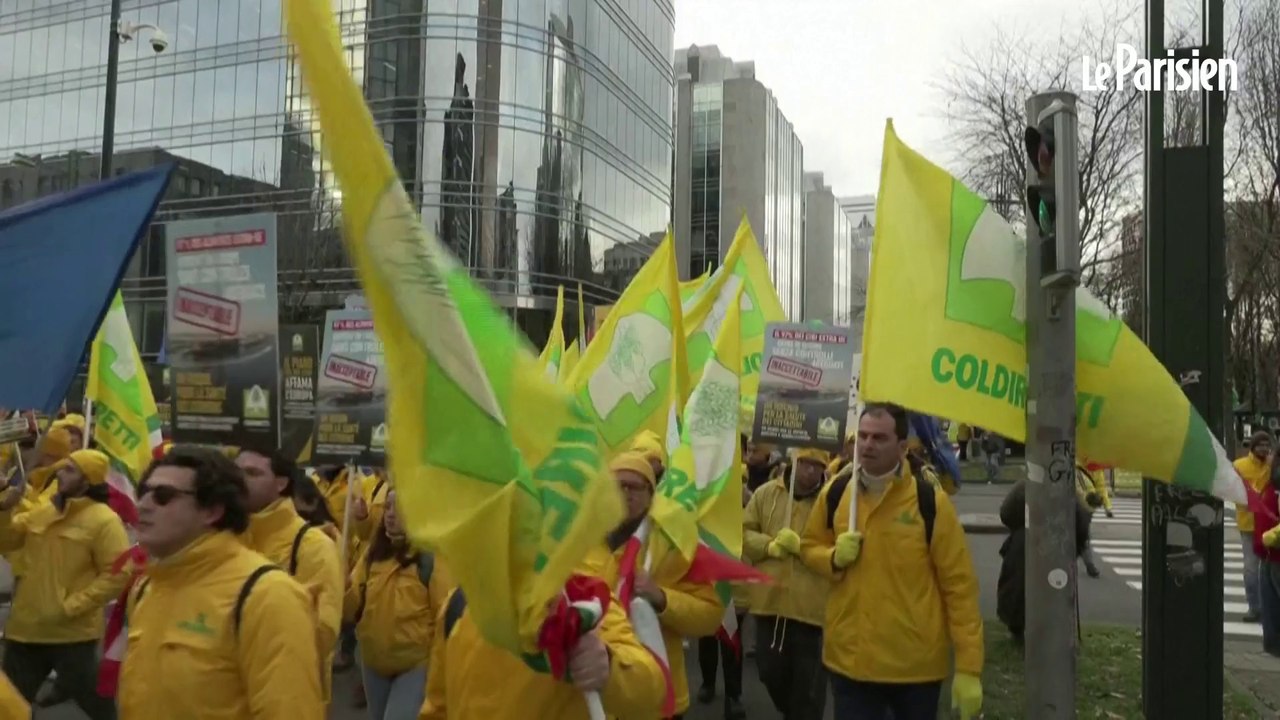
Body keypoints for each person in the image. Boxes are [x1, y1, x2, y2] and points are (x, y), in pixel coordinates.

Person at [800, 403, 984, 720]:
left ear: (902, 447)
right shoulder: (837, 493)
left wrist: (969, 667)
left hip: (915, 670)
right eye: (864, 436)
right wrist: (831, 558)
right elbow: (808, 547)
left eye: (879, 438)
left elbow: (959, 587)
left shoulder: (929, 502)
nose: (868, 445)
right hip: (851, 662)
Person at [118, 446, 324, 716]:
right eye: (143, 492)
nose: (143, 506)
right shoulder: (147, 587)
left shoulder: (267, 594)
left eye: (163, 496)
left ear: (212, 511)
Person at [0, 449, 128, 719]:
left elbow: (118, 573)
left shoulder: (104, 520)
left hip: (72, 636)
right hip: (25, 631)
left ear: (88, 479)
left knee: (100, 709)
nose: (59, 473)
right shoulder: (44, 512)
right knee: (9, 707)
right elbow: (6, 541)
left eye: (70, 470)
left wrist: (71, 606)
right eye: (62, 467)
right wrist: (4, 508)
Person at [600, 451, 724, 719]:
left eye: (634, 487)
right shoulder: (583, 540)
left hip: (659, 693)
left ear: (651, 492)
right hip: (599, 691)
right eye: (617, 485)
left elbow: (710, 615)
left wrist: (661, 597)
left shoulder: (673, 542)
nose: (625, 494)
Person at [236, 445, 344, 700]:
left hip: (287, 697)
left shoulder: (313, 547)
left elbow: (320, 636)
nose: (240, 481)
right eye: (236, 472)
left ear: (281, 483)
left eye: (252, 473)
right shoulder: (224, 537)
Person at [347, 489, 451, 720]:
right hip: (373, 662)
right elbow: (352, 607)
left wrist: (438, 672)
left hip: (414, 666)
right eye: (387, 507)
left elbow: (444, 619)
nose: (390, 515)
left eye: (399, 508)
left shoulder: (431, 558)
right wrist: (343, 587)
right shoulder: (372, 555)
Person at [743, 446, 830, 720]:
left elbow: (840, 550)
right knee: (769, 672)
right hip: (770, 604)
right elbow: (744, 532)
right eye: (805, 463)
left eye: (817, 465)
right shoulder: (766, 493)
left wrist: (803, 550)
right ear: (795, 460)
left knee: (809, 689)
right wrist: (769, 546)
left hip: (812, 611)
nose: (810, 470)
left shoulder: (835, 501)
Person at [695, 437, 752, 719]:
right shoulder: (698, 488)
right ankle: (707, 682)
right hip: (706, 574)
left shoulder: (744, 493)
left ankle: (734, 694)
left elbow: (751, 527)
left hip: (733, 574)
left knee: (732, 637)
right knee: (707, 633)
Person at [996, 478, 1092, 641]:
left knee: (1020, 585)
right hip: (1053, 546)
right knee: (1050, 588)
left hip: (1027, 540)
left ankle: (1018, 627)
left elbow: (1006, 513)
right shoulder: (1068, 494)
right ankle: (1044, 629)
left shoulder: (1026, 487)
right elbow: (1082, 526)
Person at [1235, 431, 1272, 623]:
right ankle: (1254, 607)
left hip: (1270, 526)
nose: (1264, 448)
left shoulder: (1272, 466)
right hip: (1249, 525)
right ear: (1253, 447)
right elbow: (1234, 491)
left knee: (1269, 569)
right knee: (1251, 568)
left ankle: (1269, 608)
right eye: (1260, 445)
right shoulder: (1239, 466)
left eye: (1267, 445)